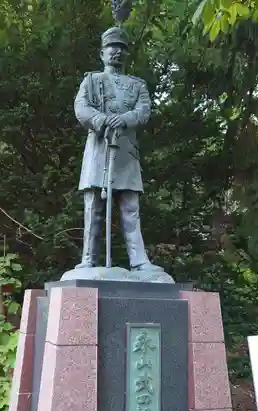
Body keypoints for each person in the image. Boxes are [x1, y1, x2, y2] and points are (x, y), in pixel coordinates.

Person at [74, 26, 162, 272]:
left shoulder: (137, 85)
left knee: (130, 208)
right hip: (99, 150)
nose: (117, 52)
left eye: (122, 48)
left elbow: (144, 111)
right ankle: (89, 259)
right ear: (102, 53)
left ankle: (139, 260)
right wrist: (101, 120)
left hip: (125, 153)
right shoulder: (91, 81)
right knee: (94, 208)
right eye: (112, 48)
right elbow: (81, 107)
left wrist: (124, 120)